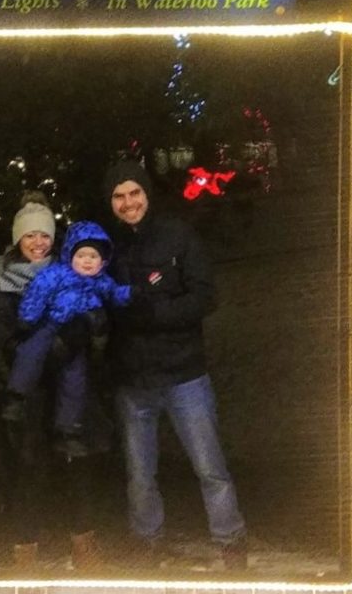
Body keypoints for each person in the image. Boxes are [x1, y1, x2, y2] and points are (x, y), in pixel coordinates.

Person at [103, 160, 248, 571]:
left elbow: (206, 297)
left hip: (185, 373)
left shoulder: (178, 236)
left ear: (147, 194)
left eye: (134, 193)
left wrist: (157, 314)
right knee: (139, 475)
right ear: (110, 202)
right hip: (133, 381)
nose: (128, 202)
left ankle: (231, 540)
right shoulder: (107, 248)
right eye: (119, 196)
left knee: (210, 467)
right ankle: (147, 542)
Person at [0, 194, 107, 572]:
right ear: (18, 240)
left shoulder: (71, 270)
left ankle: (84, 547)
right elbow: (4, 335)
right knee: (30, 470)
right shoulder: (3, 281)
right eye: (30, 236)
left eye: (44, 235)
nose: (38, 242)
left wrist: (63, 344)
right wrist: (29, 353)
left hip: (69, 384)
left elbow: (92, 317)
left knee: (76, 465)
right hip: (31, 393)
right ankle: (26, 552)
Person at [3, 220, 132, 448]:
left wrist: (130, 293)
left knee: (75, 379)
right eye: (82, 256)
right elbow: (38, 293)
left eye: (93, 257)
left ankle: (68, 427)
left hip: (79, 335)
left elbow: (114, 293)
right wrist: (27, 319)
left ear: (102, 261)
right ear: (70, 255)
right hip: (52, 323)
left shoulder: (100, 280)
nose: (87, 261)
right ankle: (17, 395)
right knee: (32, 351)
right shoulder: (57, 274)